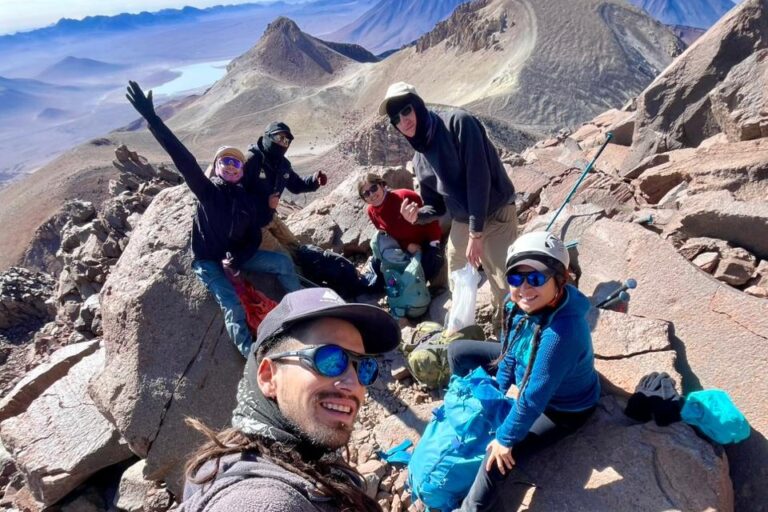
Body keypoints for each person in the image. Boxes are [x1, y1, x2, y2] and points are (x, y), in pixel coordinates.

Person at [179, 287, 401, 512]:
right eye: (330, 359)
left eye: (364, 367)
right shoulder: (260, 500)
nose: (354, 384)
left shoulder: (295, 455)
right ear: (269, 377)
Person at [125, 81, 301, 358]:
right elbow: (183, 159)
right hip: (207, 260)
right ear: (217, 168)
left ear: (242, 171)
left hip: (236, 257)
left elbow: (254, 234)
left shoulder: (245, 198)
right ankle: (251, 355)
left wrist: (238, 259)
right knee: (231, 303)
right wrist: (153, 119)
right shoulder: (208, 192)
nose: (231, 166)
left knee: (281, 263)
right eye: (225, 162)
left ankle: (302, 307)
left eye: (236, 163)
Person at [446, 231, 601, 511]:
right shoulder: (514, 304)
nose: (525, 288)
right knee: (458, 352)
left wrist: (504, 437)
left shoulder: (562, 333)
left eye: (537, 278)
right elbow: (508, 354)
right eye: (516, 278)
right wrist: (496, 393)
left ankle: (472, 509)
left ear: (559, 280)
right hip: (528, 365)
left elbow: (532, 398)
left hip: (562, 409)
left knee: (496, 457)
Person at [379, 82, 517, 330]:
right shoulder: (420, 158)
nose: (404, 121)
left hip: (495, 211)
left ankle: (508, 326)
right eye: (396, 119)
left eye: (407, 111)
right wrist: (417, 216)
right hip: (465, 218)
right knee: (455, 265)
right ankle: (463, 324)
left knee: (501, 276)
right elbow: (436, 206)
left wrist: (476, 234)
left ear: (418, 106)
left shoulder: (458, 123)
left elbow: (479, 178)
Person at [244, 122, 328, 256]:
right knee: (284, 256)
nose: (283, 143)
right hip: (252, 225)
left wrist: (314, 180)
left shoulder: (282, 164)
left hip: (270, 216)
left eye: (286, 140)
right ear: (267, 137)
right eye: (279, 138)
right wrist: (264, 203)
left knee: (296, 248)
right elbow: (235, 195)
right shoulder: (252, 160)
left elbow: (296, 185)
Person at [357, 173, 444, 285]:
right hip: (408, 247)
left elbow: (431, 219)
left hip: (428, 241)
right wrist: (407, 245)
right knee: (384, 275)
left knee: (425, 272)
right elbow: (391, 235)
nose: (372, 194)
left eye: (374, 188)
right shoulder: (371, 212)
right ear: (364, 199)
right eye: (366, 193)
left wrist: (434, 243)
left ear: (382, 185)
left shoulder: (404, 197)